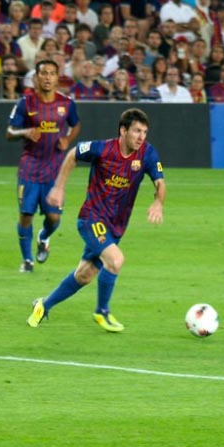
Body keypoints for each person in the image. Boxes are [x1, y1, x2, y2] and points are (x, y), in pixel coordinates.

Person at [27, 108, 165, 332]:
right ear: (123, 131)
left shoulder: (147, 154)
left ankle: (44, 305)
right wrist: (59, 188)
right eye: (137, 131)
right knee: (116, 260)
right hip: (91, 218)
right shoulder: (102, 149)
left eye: (144, 132)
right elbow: (72, 155)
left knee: (85, 275)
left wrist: (158, 201)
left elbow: (160, 182)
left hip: (116, 226)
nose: (141, 137)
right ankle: (102, 311)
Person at [6, 59, 81, 272]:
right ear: (36, 78)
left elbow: (76, 124)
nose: (47, 77)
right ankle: (27, 260)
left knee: (54, 217)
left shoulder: (67, 104)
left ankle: (44, 236)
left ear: (57, 78)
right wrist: (25, 132)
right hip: (29, 168)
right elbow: (9, 132)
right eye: (43, 73)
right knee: (26, 215)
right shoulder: (25, 103)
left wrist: (67, 139)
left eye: (51, 73)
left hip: (55, 171)